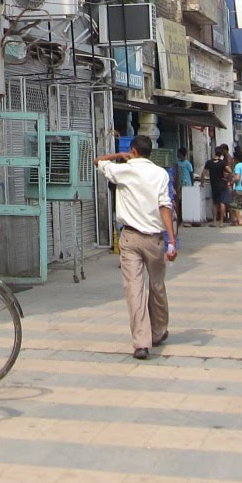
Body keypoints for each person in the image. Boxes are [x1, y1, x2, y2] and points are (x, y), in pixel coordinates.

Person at [94, 138, 177, 358]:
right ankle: (158, 331)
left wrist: (118, 157)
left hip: (130, 238)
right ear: (150, 152)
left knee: (134, 290)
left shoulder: (123, 170)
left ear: (133, 151)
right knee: (157, 285)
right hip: (155, 239)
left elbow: (97, 161)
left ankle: (141, 342)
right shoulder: (160, 174)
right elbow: (165, 206)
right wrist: (172, 240)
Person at [205, 146, 231, 226]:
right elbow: (230, 171)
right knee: (222, 203)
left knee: (215, 203)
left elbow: (203, 173)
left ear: (214, 153)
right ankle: (222, 222)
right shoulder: (223, 163)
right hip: (222, 184)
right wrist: (226, 176)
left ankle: (214, 221)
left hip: (214, 185)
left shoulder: (209, 162)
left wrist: (202, 182)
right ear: (221, 154)